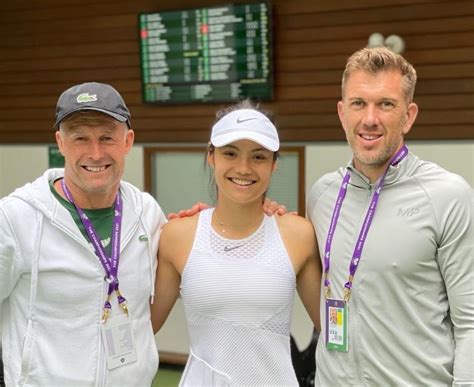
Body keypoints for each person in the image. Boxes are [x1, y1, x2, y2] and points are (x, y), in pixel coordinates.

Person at [306, 47, 473, 385]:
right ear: (342, 113)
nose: (370, 119)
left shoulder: (447, 195)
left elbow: (470, 323)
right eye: (358, 103)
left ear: (408, 116)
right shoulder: (322, 195)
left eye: (385, 104)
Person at [0, 82, 167, 386]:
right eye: (80, 138)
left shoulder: (148, 213)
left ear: (127, 141)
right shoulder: (15, 218)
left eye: (107, 137)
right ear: (60, 143)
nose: (95, 152)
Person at [152, 100, 322, 386]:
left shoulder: (299, 235)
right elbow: (143, 328)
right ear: (211, 156)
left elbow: (333, 329)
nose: (243, 168)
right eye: (230, 153)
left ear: (274, 164)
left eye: (258, 157)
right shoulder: (177, 236)